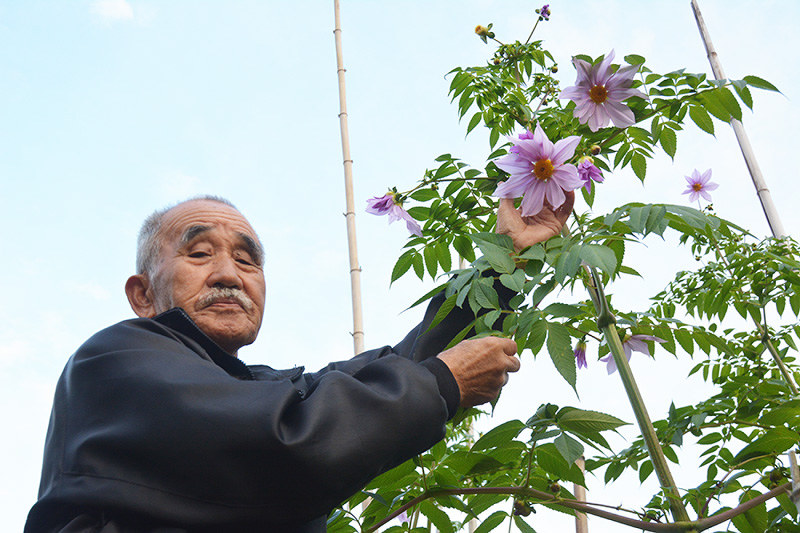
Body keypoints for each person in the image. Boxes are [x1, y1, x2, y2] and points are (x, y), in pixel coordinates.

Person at [25, 193, 573, 532]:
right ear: (142, 296)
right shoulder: (113, 359)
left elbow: (382, 372)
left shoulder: (251, 388)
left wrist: (506, 260)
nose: (229, 274)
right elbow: (286, 442)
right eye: (198, 253)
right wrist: (441, 383)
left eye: (247, 259)